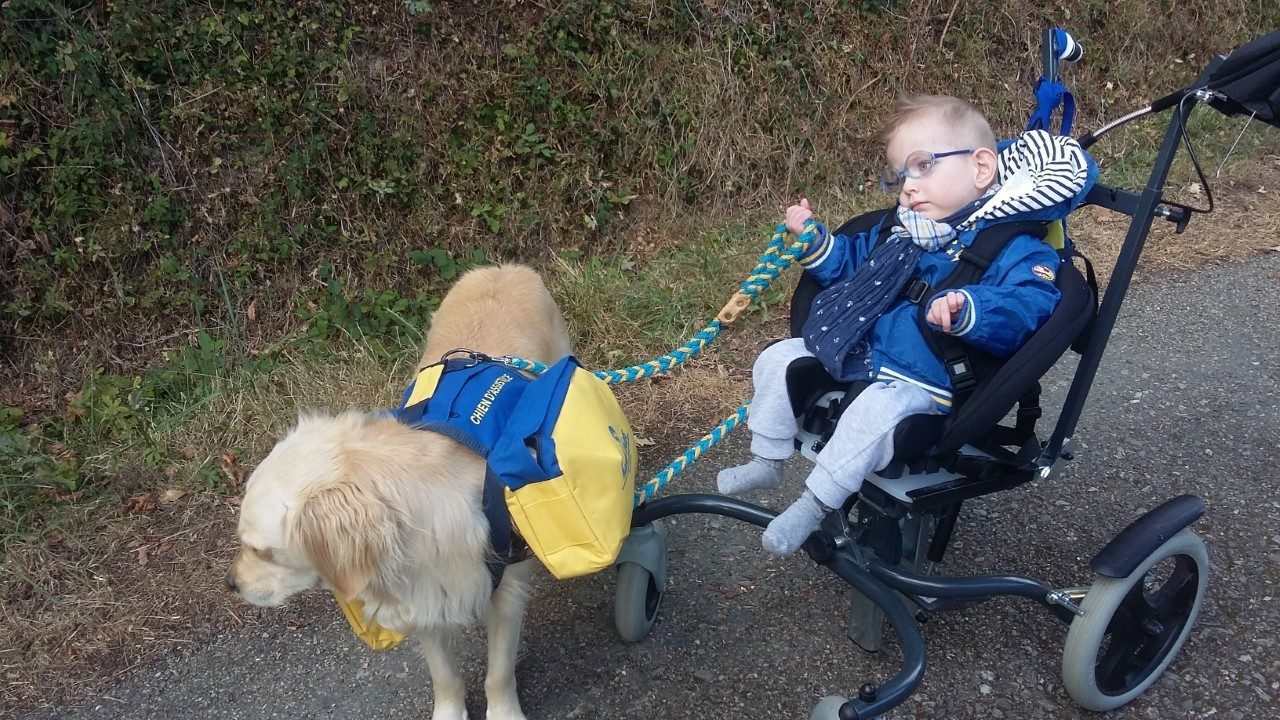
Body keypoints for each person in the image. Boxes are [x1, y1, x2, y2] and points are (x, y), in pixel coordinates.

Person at [718, 94, 1090, 555]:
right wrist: (815, 240)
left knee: (874, 414)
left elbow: (1026, 307)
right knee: (778, 356)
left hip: (922, 382)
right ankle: (766, 455)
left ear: (980, 169)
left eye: (923, 166)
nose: (908, 187)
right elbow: (854, 265)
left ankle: (813, 504)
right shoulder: (903, 229)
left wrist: (969, 307)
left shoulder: (1015, 248)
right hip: (862, 352)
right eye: (900, 175)